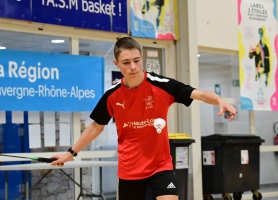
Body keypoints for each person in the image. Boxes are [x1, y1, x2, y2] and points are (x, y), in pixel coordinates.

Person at [51, 37, 236, 200]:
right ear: (116, 64)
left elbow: (200, 94)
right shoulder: (112, 95)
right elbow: (96, 126)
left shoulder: (162, 86)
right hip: (130, 170)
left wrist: (220, 100)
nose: (132, 67)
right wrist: (70, 153)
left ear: (142, 58)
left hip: (160, 166)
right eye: (126, 62)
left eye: (136, 60)